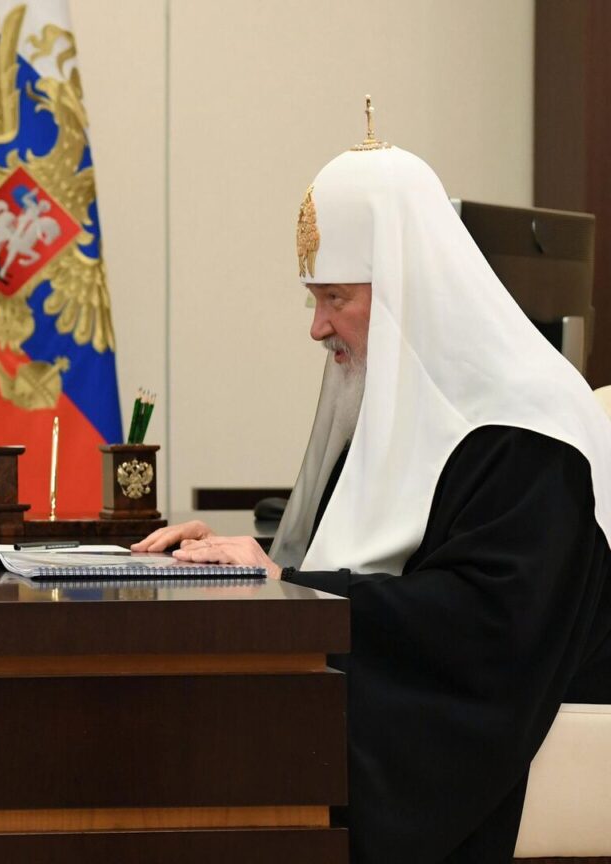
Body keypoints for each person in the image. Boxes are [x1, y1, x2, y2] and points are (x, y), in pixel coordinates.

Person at [134, 114, 611, 862]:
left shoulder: (530, 430)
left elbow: (486, 626)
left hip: (505, 703)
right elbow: (379, 557)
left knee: (240, 724)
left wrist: (290, 585)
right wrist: (250, 561)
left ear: (404, 293)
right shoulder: (411, 405)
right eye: (313, 301)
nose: (318, 329)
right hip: (444, 678)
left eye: (335, 298)